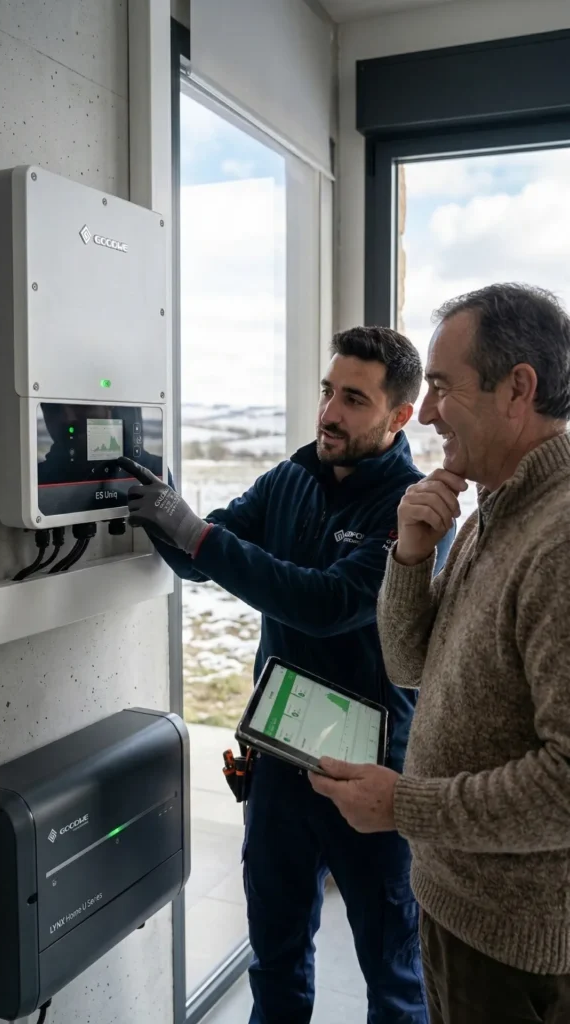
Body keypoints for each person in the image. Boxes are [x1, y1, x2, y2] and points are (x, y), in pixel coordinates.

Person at [120, 326, 454, 1024]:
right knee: (274, 958)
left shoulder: (416, 511)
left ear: (398, 416)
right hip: (278, 762)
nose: (329, 412)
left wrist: (199, 536)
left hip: (371, 777)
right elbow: (195, 554)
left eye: (353, 399)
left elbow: (325, 605)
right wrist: (152, 496)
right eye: (328, 392)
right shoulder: (289, 479)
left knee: (394, 978)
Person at [310, 284, 570, 1024]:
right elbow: (410, 665)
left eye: (442, 388)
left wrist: (404, 805)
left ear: (517, 388)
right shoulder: (495, 506)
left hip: (514, 948)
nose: (423, 414)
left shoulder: (560, 537)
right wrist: (411, 557)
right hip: (459, 906)